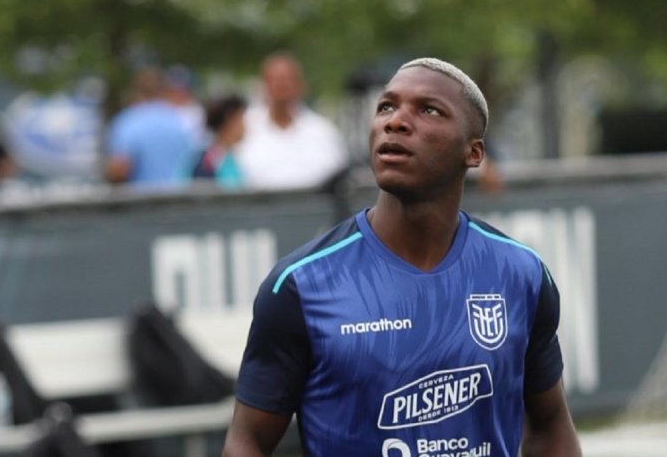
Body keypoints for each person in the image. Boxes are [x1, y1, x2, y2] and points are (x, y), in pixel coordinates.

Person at [223, 58, 581, 457]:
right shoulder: (301, 285)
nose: (395, 122)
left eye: (429, 110)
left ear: (473, 152)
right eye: (386, 107)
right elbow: (248, 440)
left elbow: (551, 426)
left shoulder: (521, 274)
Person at [235, 53, 348, 190]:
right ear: (263, 85)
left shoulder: (323, 132)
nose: (281, 85)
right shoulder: (241, 128)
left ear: (302, 85)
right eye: (274, 79)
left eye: (288, 79)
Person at [104, 68, 194, 187]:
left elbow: (119, 168)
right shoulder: (181, 121)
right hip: (178, 198)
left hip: (140, 201)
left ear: (136, 92)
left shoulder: (128, 122)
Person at [190, 94, 248, 188]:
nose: (245, 125)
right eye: (241, 119)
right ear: (230, 120)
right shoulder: (210, 162)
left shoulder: (232, 157)